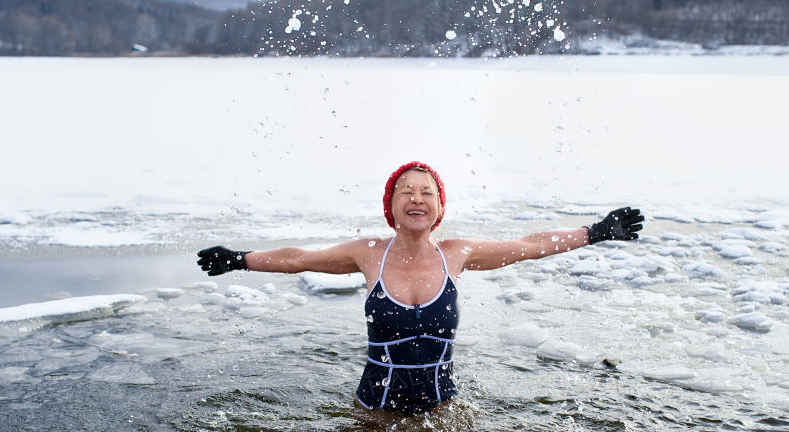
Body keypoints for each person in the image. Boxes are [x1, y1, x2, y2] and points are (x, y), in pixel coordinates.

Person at [197, 161, 643, 415]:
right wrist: (240, 260)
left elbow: (528, 245)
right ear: (391, 207)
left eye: (427, 192)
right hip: (374, 409)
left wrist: (596, 231)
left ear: (439, 207)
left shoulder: (457, 254)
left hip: (442, 409)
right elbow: (298, 259)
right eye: (405, 191)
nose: (416, 198)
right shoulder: (369, 253)